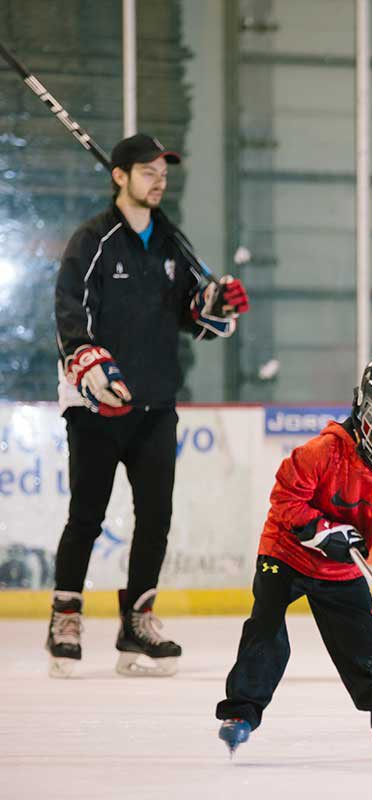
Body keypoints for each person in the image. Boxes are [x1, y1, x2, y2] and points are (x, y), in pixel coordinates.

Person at [47, 133, 249, 678]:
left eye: (164, 172)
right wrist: (87, 360)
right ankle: (65, 618)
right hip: (96, 405)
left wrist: (217, 306)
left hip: (157, 402)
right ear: (120, 176)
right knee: (86, 516)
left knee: (155, 517)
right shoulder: (93, 239)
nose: (159, 180)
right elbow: (69, 307)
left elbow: (194, 319)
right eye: (147, 171)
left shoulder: (170, 242)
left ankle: (137, 622)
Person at [215, 354, 372, 758]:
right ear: (370, 416)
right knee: (266, 628)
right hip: (286, 553)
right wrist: (317, 531)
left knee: (363, 640)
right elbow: (286, 497)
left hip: (339, 569)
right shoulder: (323, 452)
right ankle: (241, 710)